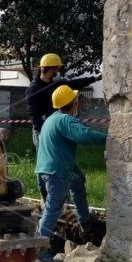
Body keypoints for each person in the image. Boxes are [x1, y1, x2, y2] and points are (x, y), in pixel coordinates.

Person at [35, 85, 106, 257]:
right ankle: (40, 250)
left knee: (77, 182)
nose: (77, 103)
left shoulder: (50, 120)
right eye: (76, 100)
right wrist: (109, 138)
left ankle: (84, 220)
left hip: (43, 171)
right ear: (72, 104)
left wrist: (77, 171)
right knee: (52, 211)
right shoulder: (66, 120)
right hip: (57, 174)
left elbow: (60, 151)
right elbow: (84, 135)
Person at [25, 53, 101, 199]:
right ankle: (46, 198)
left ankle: (66, 192)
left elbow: (73, 84)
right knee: (44, 166)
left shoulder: (55, 84)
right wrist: (41, 133)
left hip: (57, 129)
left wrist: (95, 78)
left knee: (64, 158)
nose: (57, 71)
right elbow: (33, 114)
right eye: (56, 69)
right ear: (49, 69)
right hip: (42, 131)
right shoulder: (33, 89)